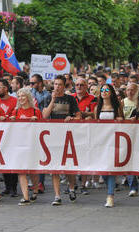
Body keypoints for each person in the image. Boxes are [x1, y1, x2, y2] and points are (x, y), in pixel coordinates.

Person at [42, 75, 81, 205]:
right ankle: (57, 195)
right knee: (54, 167)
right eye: (55, 84)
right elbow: (45, 116)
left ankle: (71, 188)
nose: (57, 87)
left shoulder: (70, 99)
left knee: (68, 165)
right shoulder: (48, 98)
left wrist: (71, 118)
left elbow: (78, 116)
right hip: (53, 135)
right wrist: (52, 100)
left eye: (59, 84)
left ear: (64, 86)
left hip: (67, 135)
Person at [10, 88, 42, 205]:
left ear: (28, 97)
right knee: (21, 171)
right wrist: (11, 120)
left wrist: (37, 121)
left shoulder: (36, 111)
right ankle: (26, 197)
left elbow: (42, 128)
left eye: (23, 96)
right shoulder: (15, 112)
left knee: (33, 170)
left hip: (32, 144)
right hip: (19, 145)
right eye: (19, 96)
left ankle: (35, 190)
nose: (21, 98)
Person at [94, 84, 123, 207]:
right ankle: (111, 186)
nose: (104, 92)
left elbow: (122, 120)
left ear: (111, 92)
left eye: (106, 90)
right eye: (102, 90)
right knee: (103, 170)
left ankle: (110, 195)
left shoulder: (117, 106)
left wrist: (120, 119)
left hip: (113, 141)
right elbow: (95, 125)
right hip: (101, 141)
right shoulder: (97, 108)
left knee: (110, 169)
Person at [0, 79, 18, 197]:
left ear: (5, 88)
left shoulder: (14, 101)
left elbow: (16, 114)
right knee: (3, 161)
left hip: (12, 135)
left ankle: (14, 188)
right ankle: (7, 187)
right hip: (0, 135)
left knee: (12, 162)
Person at [72, 78, 97, 195]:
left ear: (86, 86)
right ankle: (72, 185)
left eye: (81, 85)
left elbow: (95, 114)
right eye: (77, 85)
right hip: (72, 132)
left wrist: (84, 113)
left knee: (84, 158)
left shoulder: (93, 98)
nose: (79, 87)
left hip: (87, 132)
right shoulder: (71, 97)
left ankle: (83, 185)